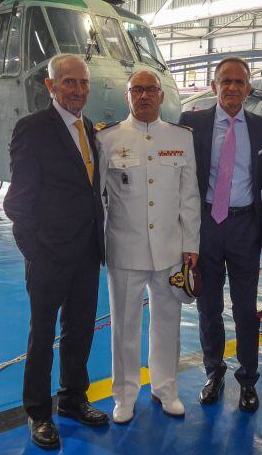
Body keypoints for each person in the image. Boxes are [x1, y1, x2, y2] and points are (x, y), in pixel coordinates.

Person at [3, 54, 108, 450]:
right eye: (69, 83)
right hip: (48, 254)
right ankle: (39, 413)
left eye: (83, 83)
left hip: (86, 253)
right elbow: (18, 201)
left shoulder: (90, 130)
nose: (78, 90)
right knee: (42, 336)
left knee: (80, 331)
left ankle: (72, 399)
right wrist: (34, 250)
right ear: (51, 86)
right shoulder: (33, 129)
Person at [97, 70, 201, 424]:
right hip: (125, 249)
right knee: (124, 326)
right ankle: (124, 395)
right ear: (127, 97)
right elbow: (100, 198)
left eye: (150, 90)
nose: (144, 96)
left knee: (167, 324)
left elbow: (189, 197)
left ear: (160, 96)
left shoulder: (180, 138)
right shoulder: (108, 139)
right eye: (136, 90)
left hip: (170, 250)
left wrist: (191, 245)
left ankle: (165, 388)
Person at [179, 57, 262, 412]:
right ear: (214, 85)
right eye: (225, 81)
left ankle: (248, 379)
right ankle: (213, 372)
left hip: (246, 226)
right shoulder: (191, 124)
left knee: (246, 309)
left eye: (239, 82)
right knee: (209, 307)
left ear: (248, 88)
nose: (232, 87)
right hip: (207, 226)